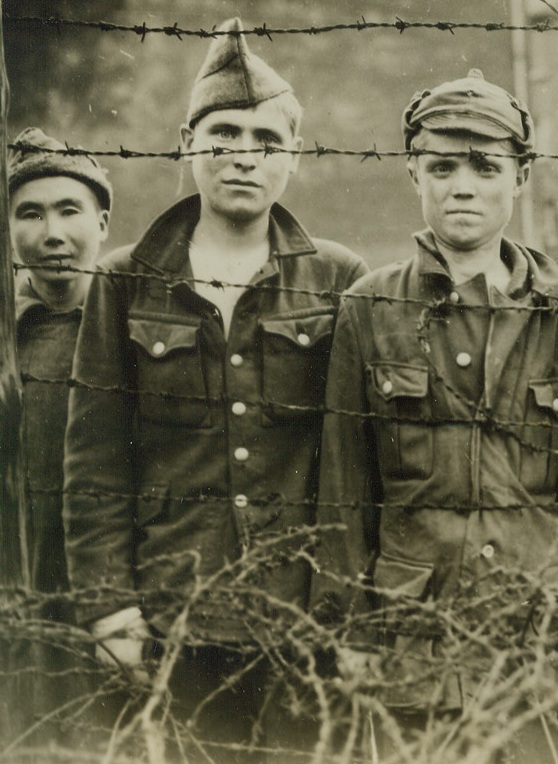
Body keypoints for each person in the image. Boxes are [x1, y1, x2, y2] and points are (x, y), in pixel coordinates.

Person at [62, 18, 366, 762]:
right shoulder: (126, 280)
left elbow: (361, 465)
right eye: (223, 133)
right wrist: (110, 608)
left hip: (310, 616)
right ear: (186, 142)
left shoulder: (340, 280)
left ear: (294, 157)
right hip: (179, 616)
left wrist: (357, 613)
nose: (243, 156)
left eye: (267, 140)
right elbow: (95, 461)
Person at [311, 69, 558, 763]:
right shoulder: (370, 308)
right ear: (412, 171)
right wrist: (349, 628)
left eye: (486, 167)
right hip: (413, 636)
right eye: (443, 166)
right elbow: (344, 486)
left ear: (521, 177)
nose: (463, 185)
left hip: (535, 630)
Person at [2, 127, 112, 753]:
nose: (51, 234)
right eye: (29, 213)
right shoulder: (6, 336)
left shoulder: (137, 329)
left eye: (70, 210)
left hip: (109, 591)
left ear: (102, 218)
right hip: (18, 586)